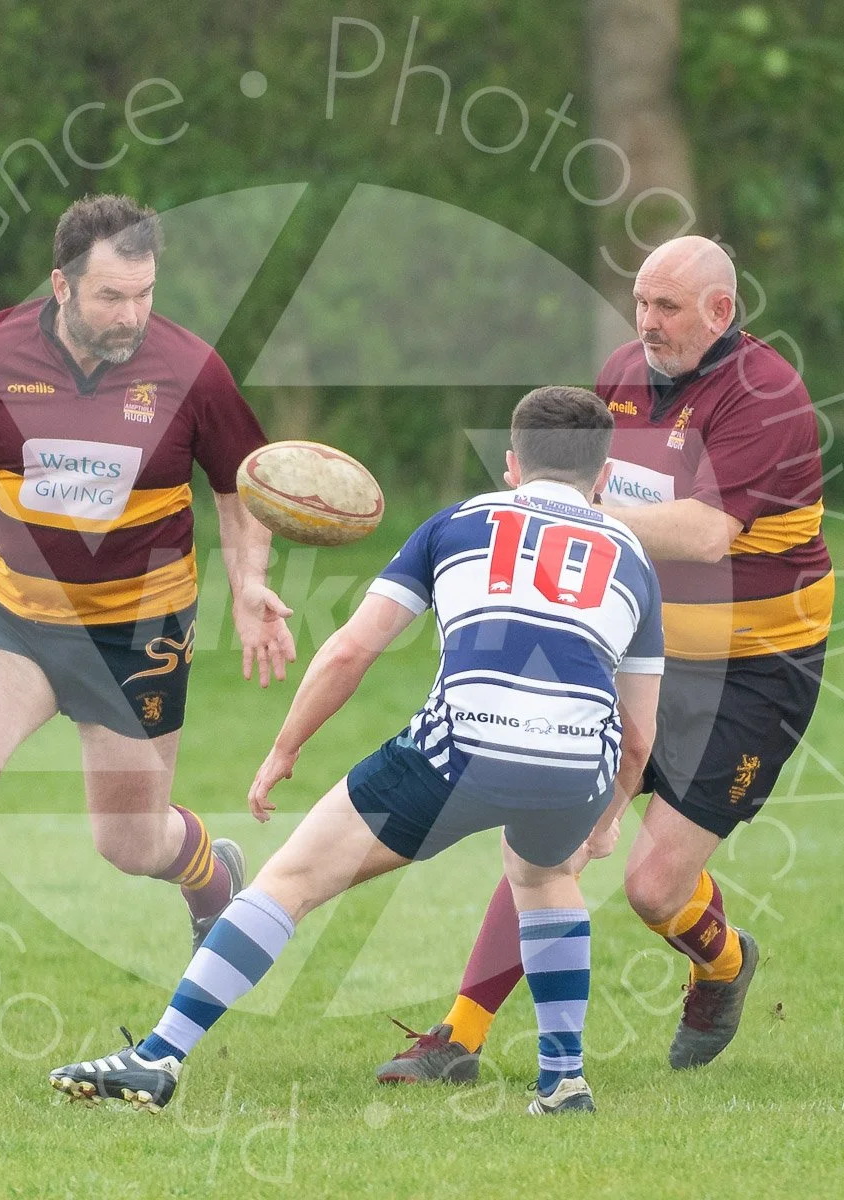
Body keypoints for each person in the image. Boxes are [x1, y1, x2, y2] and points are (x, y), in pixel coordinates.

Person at [47, 386, 664, 1115]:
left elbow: (350, 652)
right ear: (604, 474)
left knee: (291, 880)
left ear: (511, 464)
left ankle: (158, 1057)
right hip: (578, 761)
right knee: (543, 874)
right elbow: (640, 731)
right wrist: (609, 814)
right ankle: (562, 1082)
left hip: (460, 745)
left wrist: (285, 748)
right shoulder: (634, 558)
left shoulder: (455, 523)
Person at [0, 194, 296, 1078]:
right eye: (110, 298)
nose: (132, 317)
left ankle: (210, 873)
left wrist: (250, 583)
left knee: (128, 843)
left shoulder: (191, 370)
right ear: (60, 284)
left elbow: (242, 488)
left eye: (145, 295)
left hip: (141, 634)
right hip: (15, 617)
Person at [375, 235, 833, 1083]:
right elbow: (574, 483)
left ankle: (724, 963)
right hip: (638, 649)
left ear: (720, 312)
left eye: (666, 308)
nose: (646, 323)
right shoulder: (623, 374)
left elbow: (701, 533)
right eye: (642, 302)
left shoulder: (766, 395)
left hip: (754, 669)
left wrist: (560, 505)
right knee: (550, 828)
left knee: (655, 889)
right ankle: (459, 1035)